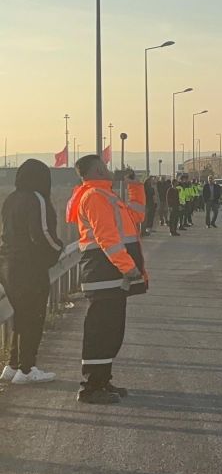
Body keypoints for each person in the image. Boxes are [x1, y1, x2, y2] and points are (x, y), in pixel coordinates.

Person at [68, 154, 140, 404]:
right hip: (104, 273)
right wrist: (128, 268)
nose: (110, 169)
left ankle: (102, 380)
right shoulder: (95, 197)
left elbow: (137, 216)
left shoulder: (106, 195)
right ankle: (90, 387)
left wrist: (135, 186)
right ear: (98, 169)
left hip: (110, 275)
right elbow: (106, 238)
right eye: (106, 166)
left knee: (111, 331)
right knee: (101, 331)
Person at [0, 159, 64, 385]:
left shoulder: (11, 199)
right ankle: (27, 370)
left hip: (7, 265)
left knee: (21, 315)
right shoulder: (36, 199)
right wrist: (59, 248)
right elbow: (42, 234)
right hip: (29, 267)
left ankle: (13, 365)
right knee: (34, 318)